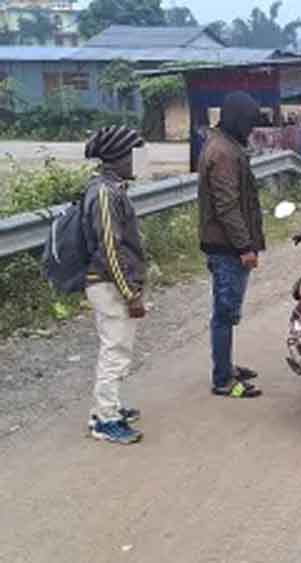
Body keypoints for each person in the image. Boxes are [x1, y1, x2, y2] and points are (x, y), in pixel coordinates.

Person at [198, 91, 266, 399]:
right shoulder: (224, 153)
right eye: (249, 124)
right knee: (225, 313)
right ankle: (222, 379)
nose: (251, 130)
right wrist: (244, 247)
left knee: (228, 310)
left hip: (226, 245)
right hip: (226, 247)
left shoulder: (226, 146)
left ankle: (225, 365)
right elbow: (227, 207)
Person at [83, 125, 147, 445]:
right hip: (109, 285)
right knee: (115, 351)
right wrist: (130, 294)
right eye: (132, 155)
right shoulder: (106, 194)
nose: (136, 161)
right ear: (116, 159)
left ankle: (107, 408)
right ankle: (105, 420)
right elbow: (111, 250)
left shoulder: (109, 188)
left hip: (110, 284)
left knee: (118, 348)